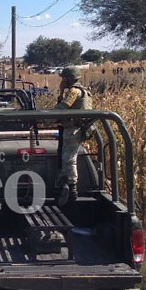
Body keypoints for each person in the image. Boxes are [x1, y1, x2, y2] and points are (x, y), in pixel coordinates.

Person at [54, 66, 93, 206]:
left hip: (73, 128)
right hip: (78, 128)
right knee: (68, 156)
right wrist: (61, 91)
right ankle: (67, 184)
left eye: (64, 78)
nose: (63, 80)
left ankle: (72, 189)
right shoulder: (84, 91)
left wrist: (45, 118)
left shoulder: (73, 92)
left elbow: (61, 109)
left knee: (68, 158)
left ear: (69, 78)